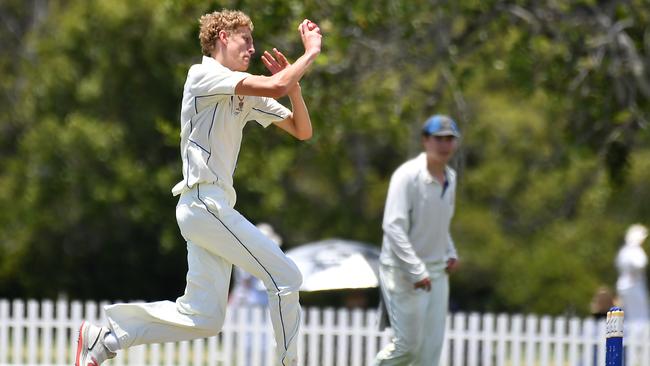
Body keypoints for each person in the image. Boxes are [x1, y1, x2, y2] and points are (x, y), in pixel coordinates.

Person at [75, 9, 321, 366]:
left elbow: (302, 130)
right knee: (286, 276)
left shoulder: (243, 91)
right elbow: (275, 85)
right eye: (245, 39)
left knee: (204, 319)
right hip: (205, 203)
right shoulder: (203, 74)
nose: (251, 48)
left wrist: (295, 88)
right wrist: (309, 53)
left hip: (208, 209)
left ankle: (107, 339)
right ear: (222, 37)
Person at [375, 114, 461, 366]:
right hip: (403, 272)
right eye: (439, 139)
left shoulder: (451, 178)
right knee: (407, 347)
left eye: (450, 139)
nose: (444, 145)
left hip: (437, 272)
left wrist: (450, 251)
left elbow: (440, 224)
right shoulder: (407, 176)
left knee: (429, 353)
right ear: (425, 140)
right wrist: (415, 269)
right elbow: (393, 227)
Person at [615, 223, 650, 332]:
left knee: (628, 315)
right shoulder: (635, 250)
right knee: (638, 315)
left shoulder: (624, 251)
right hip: (634, 285)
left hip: (624, 285)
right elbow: (640, 263)